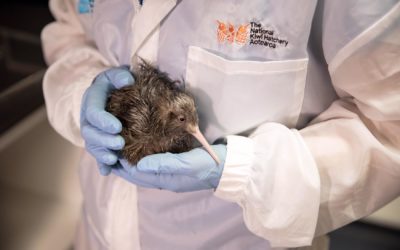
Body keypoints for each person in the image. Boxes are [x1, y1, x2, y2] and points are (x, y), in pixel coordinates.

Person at [41, 0, 400, 249]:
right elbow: (72, 30)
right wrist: (82, 93)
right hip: (97, 232)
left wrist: (250, 174)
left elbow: (390, 126)